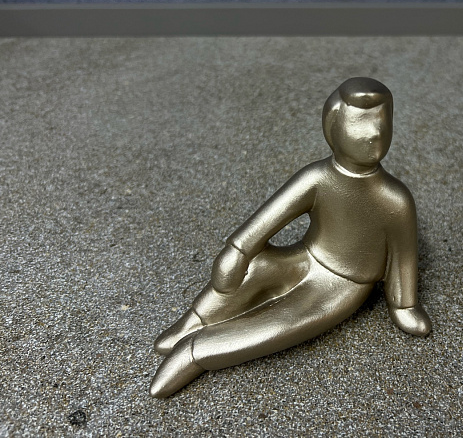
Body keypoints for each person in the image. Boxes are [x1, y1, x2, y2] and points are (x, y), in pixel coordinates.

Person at [150, 77, 431, 398]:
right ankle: (192, 322)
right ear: (334, 126)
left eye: (381, 123)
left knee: (282, 322)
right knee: (257, 268)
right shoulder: (317, 177)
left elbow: (403, 258)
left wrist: (404, 304)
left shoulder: (395, 200)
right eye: (360, 124)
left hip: (344, 284)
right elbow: (267, 219)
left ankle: (197, 352)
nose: (373, 134)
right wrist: (238, 251)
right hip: (304, 256)